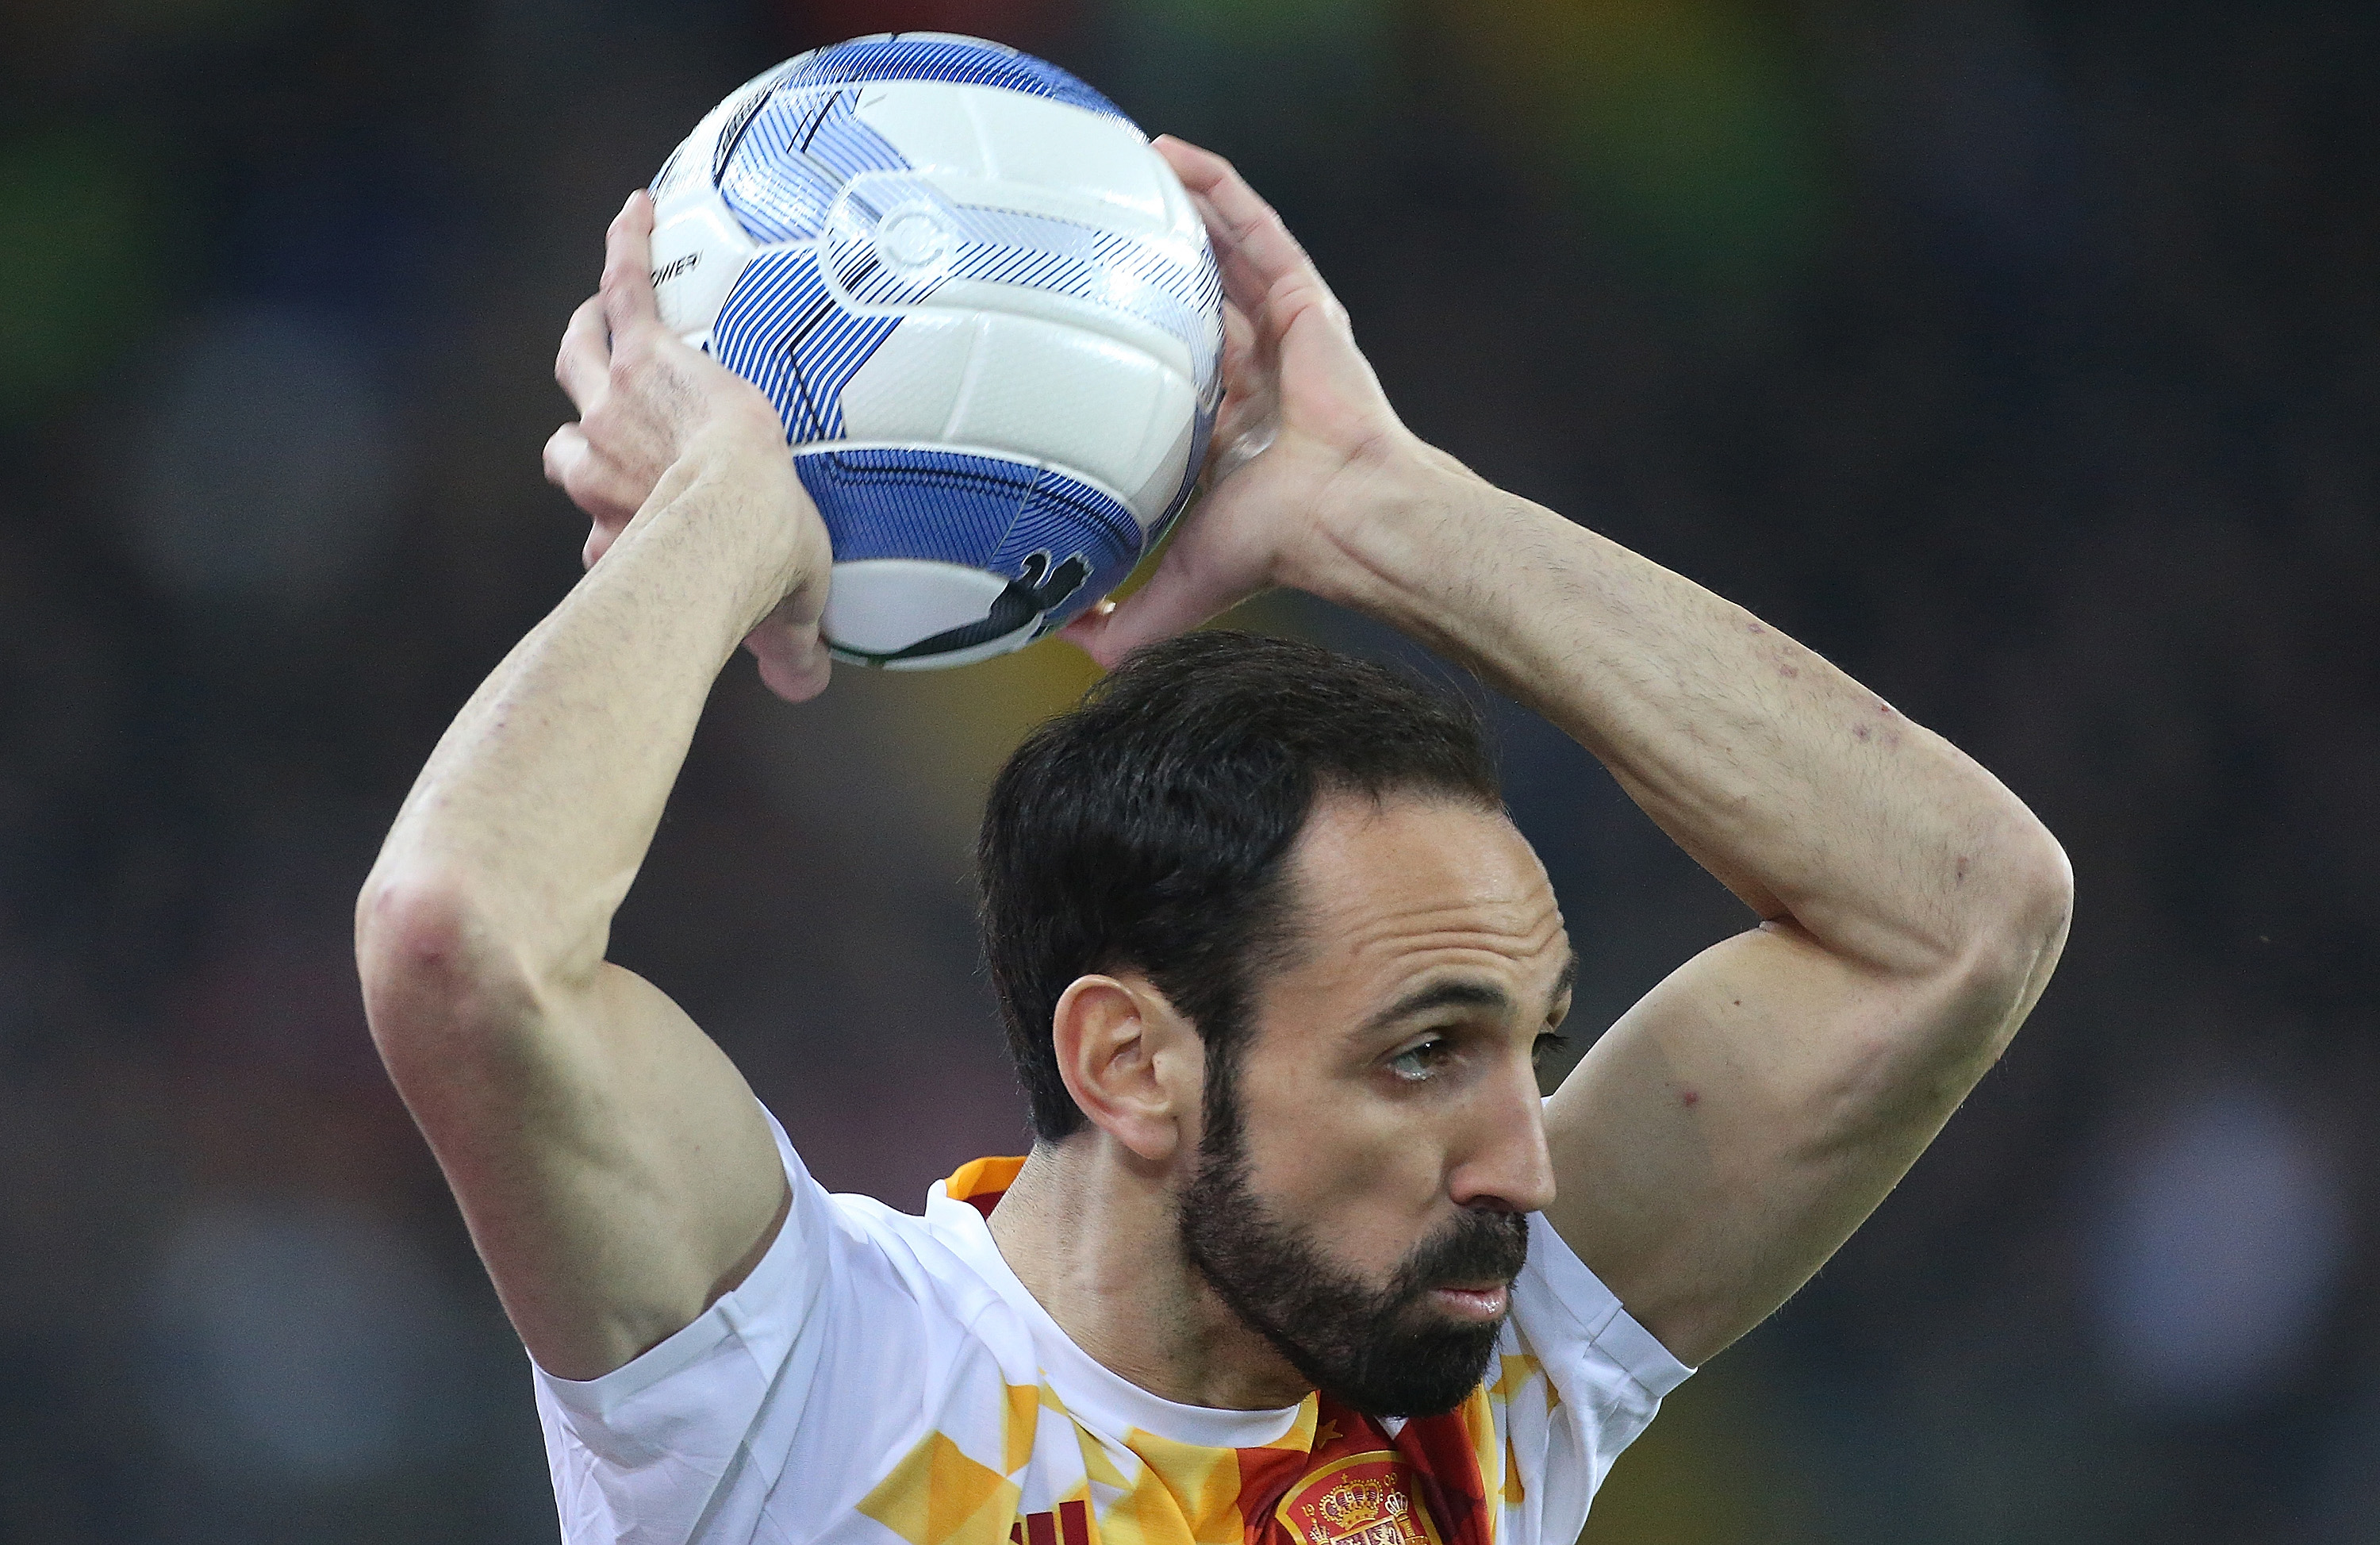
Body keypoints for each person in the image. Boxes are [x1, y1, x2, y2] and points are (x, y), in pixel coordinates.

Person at [355, 136, 2071, 1545]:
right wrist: (722, 513)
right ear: (1130, 1058)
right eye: (1423, 1053)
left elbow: (1960, 910)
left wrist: (1390, 515)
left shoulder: (1478, 1377)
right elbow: (458, 942)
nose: (1526, 1160)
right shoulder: (796, 1370)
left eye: (1521, 1047)